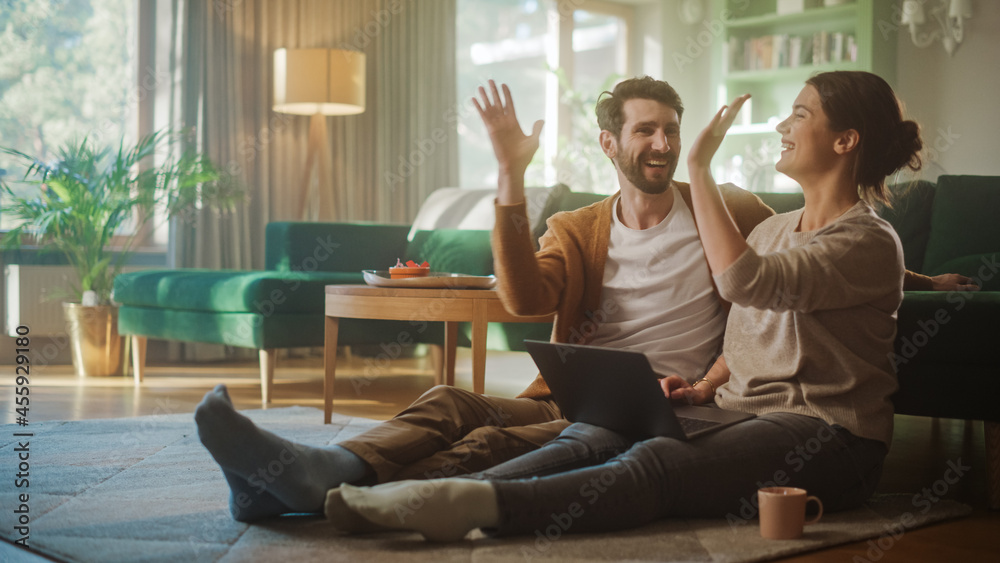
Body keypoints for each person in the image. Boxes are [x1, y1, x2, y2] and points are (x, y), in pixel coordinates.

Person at [195, 75, 971, 523]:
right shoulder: (581, 225)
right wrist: (508, 176)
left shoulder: (732, 212)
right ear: (611, 145)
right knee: (457, 406)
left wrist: (922, 277)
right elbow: (521, 295)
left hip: (718, 412)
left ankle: (401, 498)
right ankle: (322, 469)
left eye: (671, 130)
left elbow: (809, 272)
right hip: (621, 397)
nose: (664, 144)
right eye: (647, 133)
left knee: (553, 449)